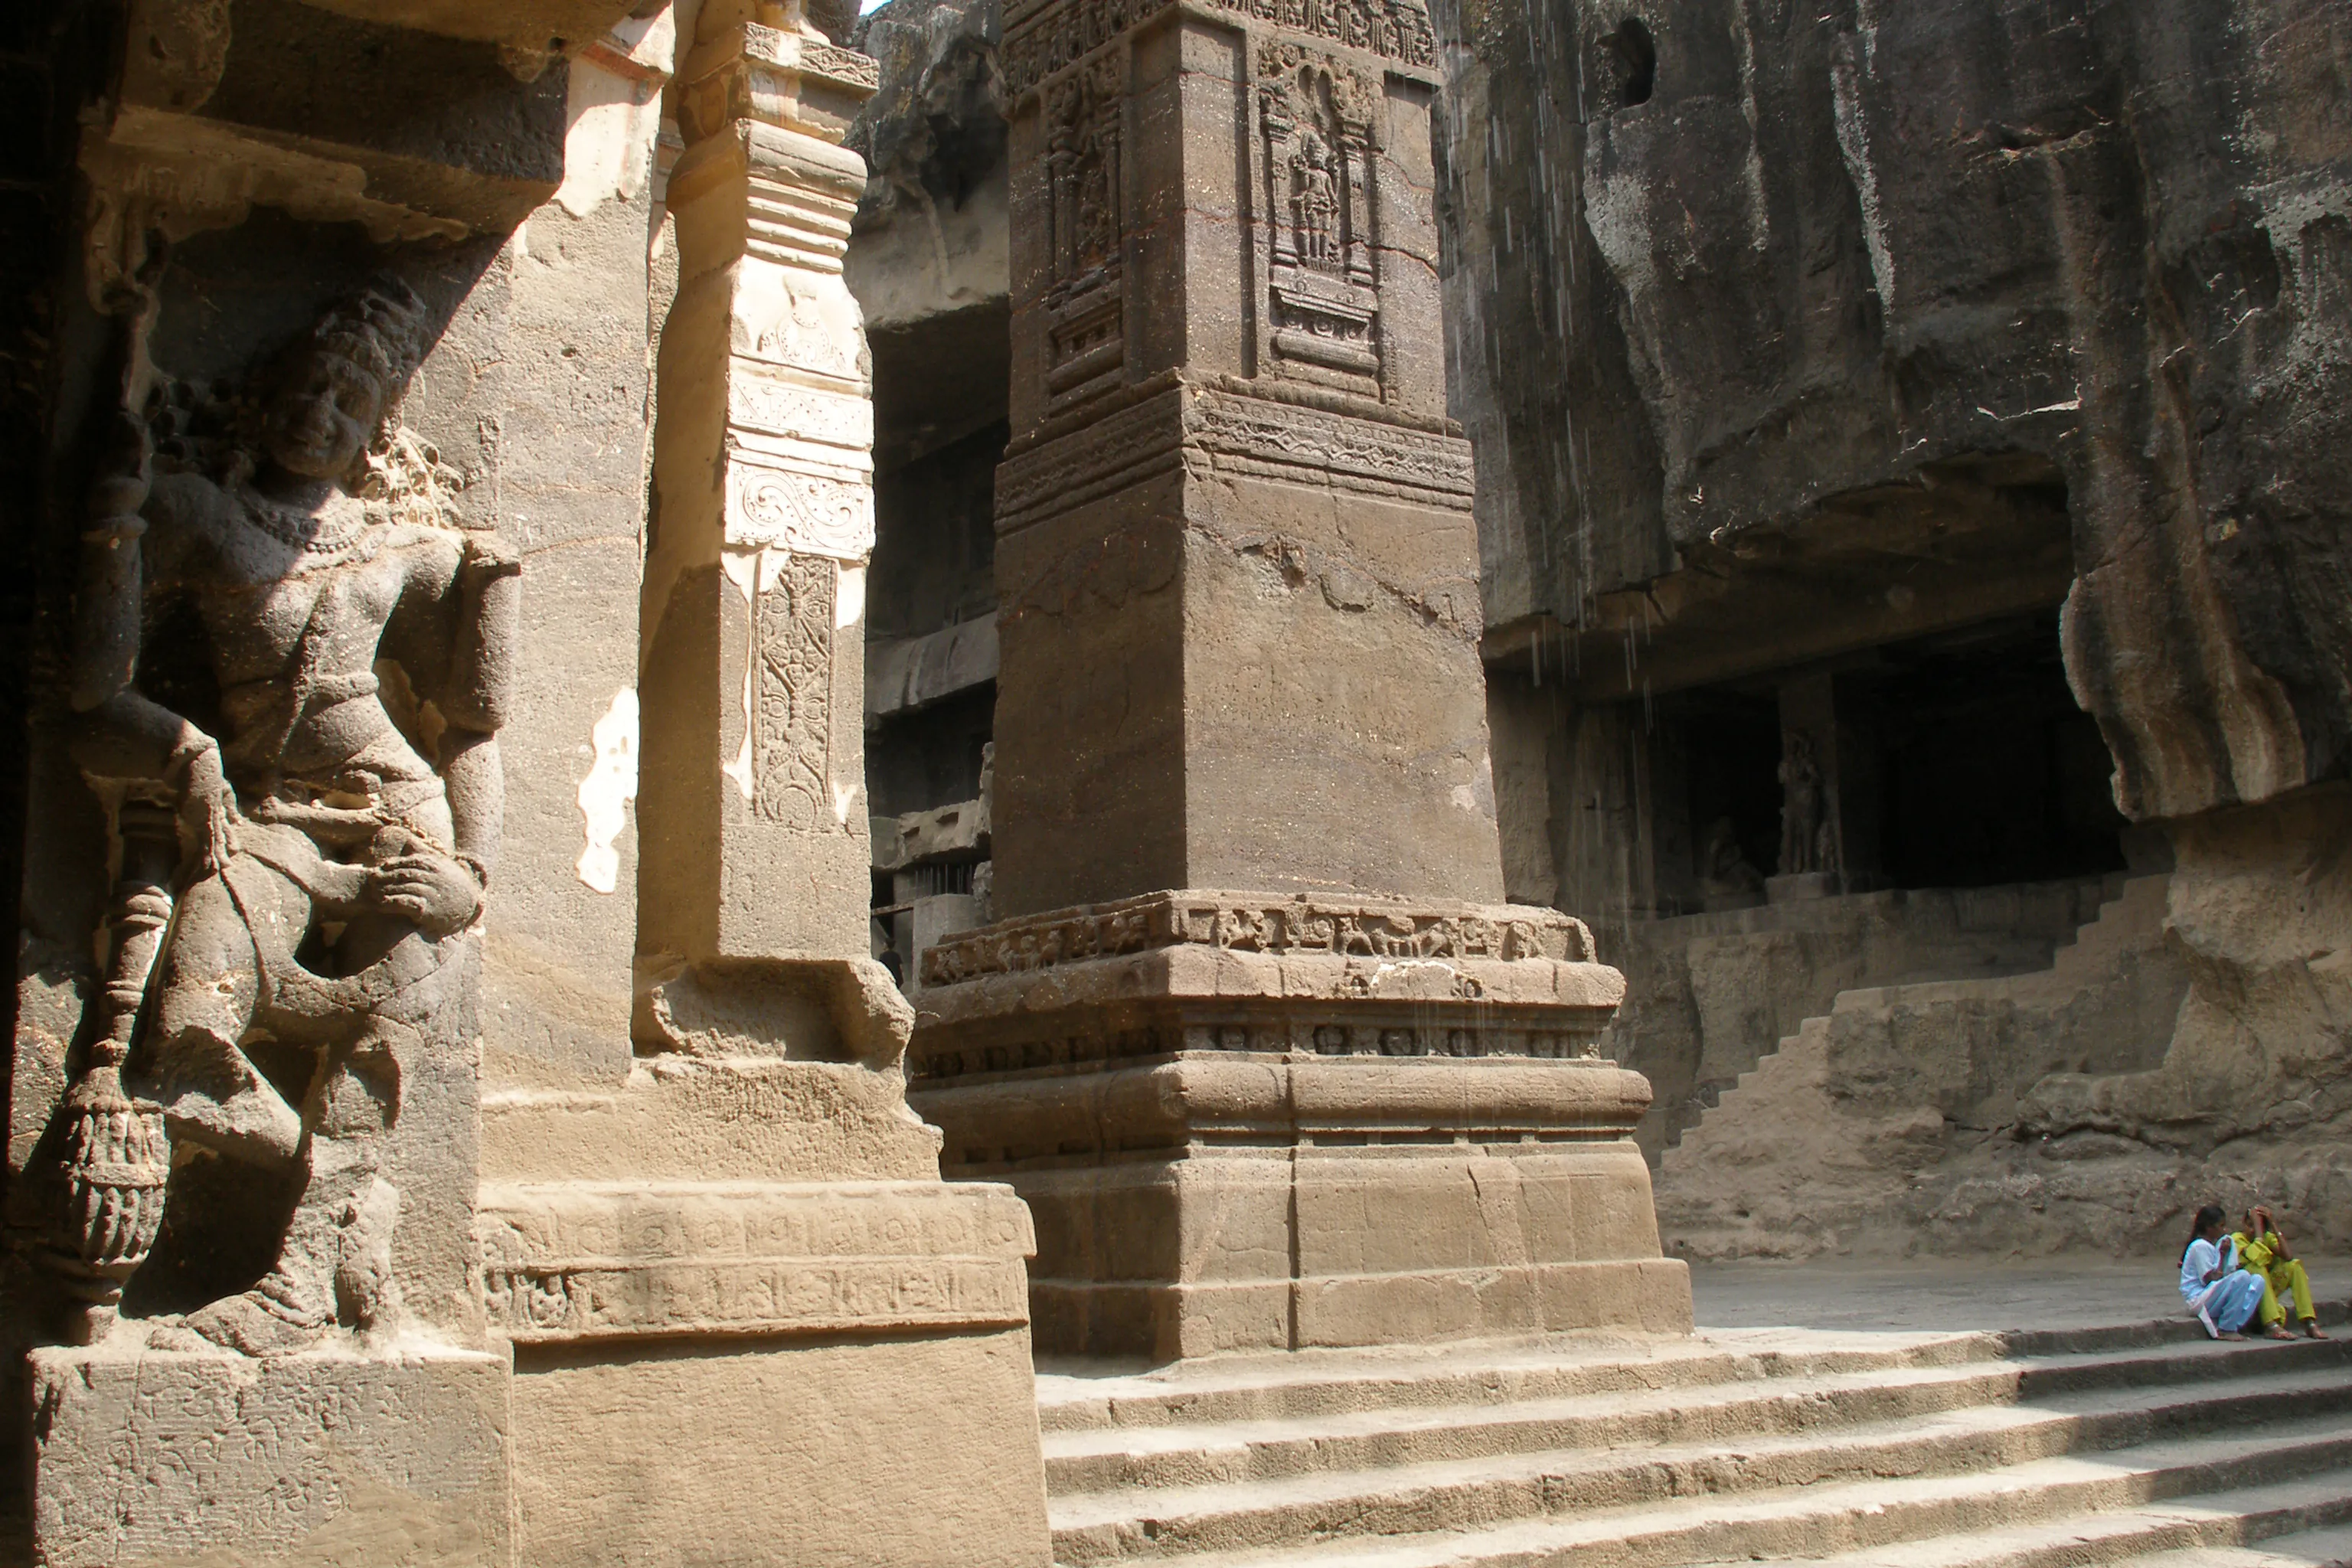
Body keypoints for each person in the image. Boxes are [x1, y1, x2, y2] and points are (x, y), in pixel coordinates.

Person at [2179, 1204, 2278, 1340]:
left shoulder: (2212, 1244)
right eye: (2221, 1226)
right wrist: (2222, 1255)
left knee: (2258, 1280)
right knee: (2242, 1277)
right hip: (2199, 1299)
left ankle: (2234, 1323)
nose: (2224, 1230)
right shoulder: (2200, 1246)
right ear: (2209, 1228)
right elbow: (2211, 1279)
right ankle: (2227, 1328)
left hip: (2212, 1296)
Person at [2233, 1205, 2330, 1340]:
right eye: (2250, 1226)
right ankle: (2271, 1325)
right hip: (2248, 1295)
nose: (2253, 1230)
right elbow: (2257, 1257)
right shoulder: (2237, 1239)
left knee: (2294, 1266)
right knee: (2258, 1267)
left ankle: (2309, 1322)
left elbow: (2288, 1256)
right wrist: (2259, 1232)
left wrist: (2273, 1224)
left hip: (2268, 1292)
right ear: (2243, 1224)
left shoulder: (2267, 1237)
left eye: (2258, 1227)